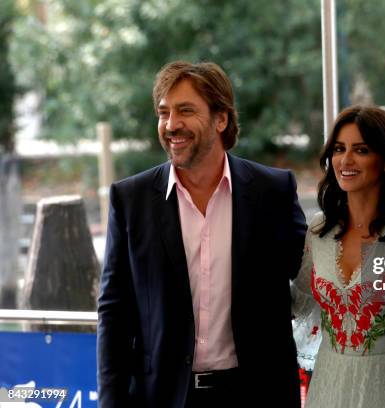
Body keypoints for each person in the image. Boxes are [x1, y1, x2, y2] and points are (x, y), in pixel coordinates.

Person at [97, 61, 306, 407]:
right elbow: (114, 313)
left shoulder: (272, 192)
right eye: (163, 113)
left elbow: (314, 274)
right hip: (164, 396)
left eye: (185, 111)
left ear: (221, 119)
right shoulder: (130, 200)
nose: (171, 124)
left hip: (256, 393)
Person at [292, 105, 385, 407]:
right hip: (329, 383)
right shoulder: (318, 231)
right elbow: (301, 301)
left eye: (360, 150)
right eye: (339, 149)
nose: (345, 160)